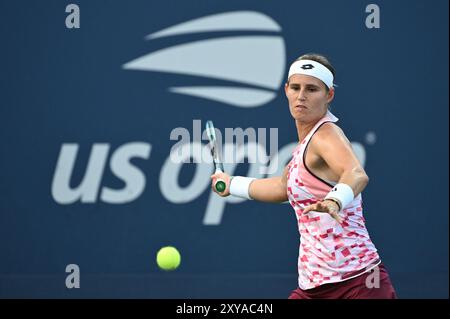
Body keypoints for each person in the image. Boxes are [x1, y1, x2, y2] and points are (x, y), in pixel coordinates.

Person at [210, 53, 397, 299]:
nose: (301, 96)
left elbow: (356, 174)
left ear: (329, 95)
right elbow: (281, 187)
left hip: (359, 285)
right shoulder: (304, 147)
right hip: (312, 288)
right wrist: (231, 184)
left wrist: (334, 200)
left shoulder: (326, 135)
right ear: (286, 90)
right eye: (296, 88)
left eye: (312, 89)